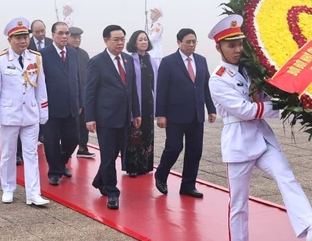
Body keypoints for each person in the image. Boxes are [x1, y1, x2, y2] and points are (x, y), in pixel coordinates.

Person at [207, 15, 312, 241]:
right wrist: (279, 106)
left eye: (239, 43)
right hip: (238, 141)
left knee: (287, 177)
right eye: (230, 45)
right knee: (238, 204)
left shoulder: (251, 68)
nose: (237, 49)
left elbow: (267, 93)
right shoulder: (218, 79)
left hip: (263, 137)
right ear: (219, 48)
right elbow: (245, 110)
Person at [0, 17, 50, 206]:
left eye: (25, 37)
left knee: (31, 153)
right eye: (18, 37)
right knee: (8, 153)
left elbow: (41, 87)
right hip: (9, 115)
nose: (23, 41)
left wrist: (43, 110)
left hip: (30, 114)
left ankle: (33, 193)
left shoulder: (35, 57)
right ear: (10, 40)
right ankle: (8, 188)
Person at [84, 25, 141, 210]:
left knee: (115, 153)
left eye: (122, 39)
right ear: (106, 40)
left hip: (124, 116)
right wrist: (90, 117)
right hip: (105, 117)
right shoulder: (97, 62)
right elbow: (90, 92)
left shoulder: (127, 60)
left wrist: (136, 113)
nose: (120, 43)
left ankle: (100, 181)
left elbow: (132, 89)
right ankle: (112, 192)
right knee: (108, 156)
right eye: (116, 39)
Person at [154, 28, 216, 197]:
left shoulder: (201, 61)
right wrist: (160, 115)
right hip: (175, 115)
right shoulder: (168, 62)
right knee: (174, 148)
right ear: (179, 42)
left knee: (195, 151)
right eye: (187, 42)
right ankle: (161, 174)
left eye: (194, 42)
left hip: (196, 115)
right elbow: (161, 90)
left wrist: (211, 109)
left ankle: (188, 185)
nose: (191, 45)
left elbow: (205, 87)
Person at [40, 21, 80, 185]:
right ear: (53, 35)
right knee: (51, 141)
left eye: (66, 33)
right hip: (51, 106)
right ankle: (54, 172)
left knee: (73, 139)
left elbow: (77, 79)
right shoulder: (42, 54)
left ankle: (61, 162)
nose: (64, 36)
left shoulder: (73, 53)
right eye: (60, 33)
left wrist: (80, 102)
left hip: (71, 105)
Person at [123, 30, 158, 177]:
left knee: (148, 134)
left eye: (145, 39)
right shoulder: (130, 60)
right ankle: (133, 167)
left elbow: (156, 83)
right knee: (134, 134)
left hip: (148, 102)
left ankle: (145, 165)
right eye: (140, 40)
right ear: (134, 43)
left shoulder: (152, 60)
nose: (144, 42)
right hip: (135, 102)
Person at [69, 27, 95, 158]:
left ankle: (83, 148)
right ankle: (66, 150)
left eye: (79, 37)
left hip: (84, 95)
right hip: (70, 97)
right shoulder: (65, 53)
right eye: (74, 37)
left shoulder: (84, 54)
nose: (77, 40)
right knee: (70, 127)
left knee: (84, 123)